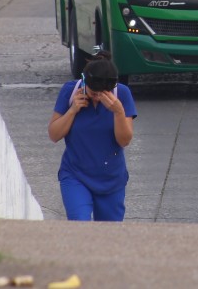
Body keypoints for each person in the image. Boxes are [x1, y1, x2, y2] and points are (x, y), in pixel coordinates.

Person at [48, 53, 137, 221]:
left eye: (103, 93)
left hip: (111, 178)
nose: (98, 97)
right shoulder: (70, 91)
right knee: (79, 224)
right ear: (84, 82)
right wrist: (73, 110)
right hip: (75, 174)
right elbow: (54, 134)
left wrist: (118, 111)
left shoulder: (122, 94)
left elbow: (124, 140)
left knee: (108, 236)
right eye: (93, 92)